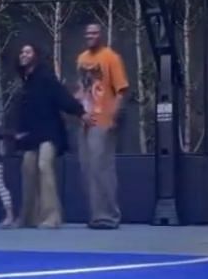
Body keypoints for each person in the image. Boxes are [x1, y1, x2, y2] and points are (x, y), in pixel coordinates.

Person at [13, 44, 87, 228]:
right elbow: (25, 111)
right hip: (32, 135)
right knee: (28, 169)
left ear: (35, 56)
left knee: (44, 165)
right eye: (22, 52)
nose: (24, 54)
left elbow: (61, 96)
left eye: (28, 51)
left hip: (49, 131)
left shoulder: (45, 77)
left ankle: (52, 217)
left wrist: (80, 112)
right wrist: (20, 132)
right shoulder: (25, 82)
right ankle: (29, 217)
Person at [75, 23, 129, 230]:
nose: (91, 36)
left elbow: (121, 89)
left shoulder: (111, 58)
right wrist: (75, 107)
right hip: (86, 119)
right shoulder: (81, 59)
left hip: (104, 119)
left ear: (102, 35)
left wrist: (114, 115)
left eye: (95, 33)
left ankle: (109, 216)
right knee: (87, 168)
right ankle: (96, 215)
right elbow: (82, 88)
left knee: (102, 168)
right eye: (88, 33)